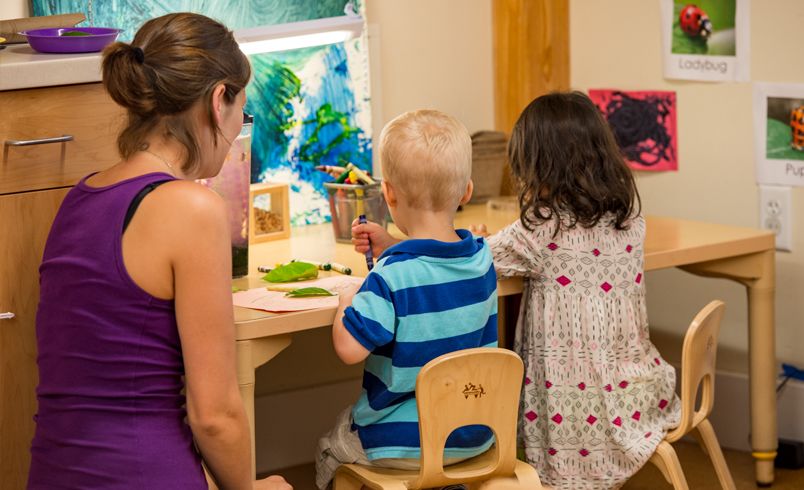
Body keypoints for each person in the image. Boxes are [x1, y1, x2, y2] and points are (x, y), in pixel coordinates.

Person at [352, 92, 681, 489]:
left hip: (575, 410)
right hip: (639, 390)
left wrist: (393, 245)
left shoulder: (542, 230)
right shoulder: (631, 221)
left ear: (538, 167)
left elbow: (457, 259)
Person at [28, 12, 290, 490]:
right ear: (217, 102)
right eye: (241, 114)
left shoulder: (81, 197)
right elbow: (214, 415)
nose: (237, 132)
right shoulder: (191, 207)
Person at [315, 110, 498, 490]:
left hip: (403, 443)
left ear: (388, 193)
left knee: (332, 445)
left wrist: (348, 298)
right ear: (466, 191)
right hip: (473, 434)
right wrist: (394, 247)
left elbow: (349, 349)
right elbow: (435, 266)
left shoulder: (392, 276)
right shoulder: (481, 259)